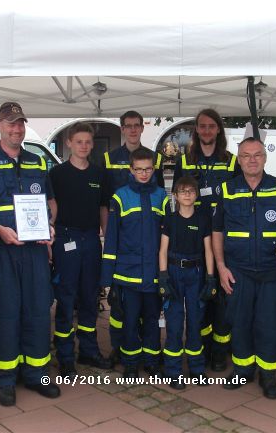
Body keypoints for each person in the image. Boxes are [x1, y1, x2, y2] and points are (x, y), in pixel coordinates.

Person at [0, 102, 60, 406]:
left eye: (20, 123)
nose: (16, 129)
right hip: (0, 251)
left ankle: (37, 374)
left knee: (36, 312)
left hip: (34, 252)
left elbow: (46, 202)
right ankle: (6, 380)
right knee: (5, 314)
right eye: (10, 124)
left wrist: (49, 227)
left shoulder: (36, 161)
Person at [212, 137, 276, 399]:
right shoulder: (227, 189)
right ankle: (243, 368)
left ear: (265, 157)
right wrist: (220, 266)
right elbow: (217, 231)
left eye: (257, 155)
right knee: (240, 323)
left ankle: (269, 375)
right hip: (238, 271)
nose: (252, 160)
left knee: (269, 324)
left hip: (272, 271)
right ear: (238, 160)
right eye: (246, 155)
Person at [173, 108, 240, 371]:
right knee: (200, 298)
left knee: (222, 299)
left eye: (212, 126)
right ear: (196, 130)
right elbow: (177, 199)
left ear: (219, 130)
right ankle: (199, 350)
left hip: (223, 236)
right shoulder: (185, 161)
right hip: (195, 239)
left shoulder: (232, 162)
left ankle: (219, 352)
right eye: (202, 126)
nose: (207, 131)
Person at [49, 122, 113, 377]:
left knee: (90, 297)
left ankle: (89, 350)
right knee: (66, 298)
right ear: (69, 143)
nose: (84, 146)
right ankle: (65, 355)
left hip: (91, 241)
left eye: (88, 142)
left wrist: (106, 239)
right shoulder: (57, 174)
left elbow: (103, 209)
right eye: (79, 142)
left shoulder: (100, 175)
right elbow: (50, 207)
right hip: (65, 240)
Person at [103, 110, 165, 363]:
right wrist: (107, 272)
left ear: (142, 128)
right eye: (127, 126)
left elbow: (162, 222)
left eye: (136, 126)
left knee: (150, 315)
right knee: (123, 314)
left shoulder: (158, 172)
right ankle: (124, 354)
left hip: (150, 261)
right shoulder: (110, 161)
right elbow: (106, 205)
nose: (132, 130)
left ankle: (149, 358)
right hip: (126, 260)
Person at [158, 176, 216, 390]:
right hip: (173, 271)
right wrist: (163, 276)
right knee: (174, 322)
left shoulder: (203, 219)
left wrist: (211, 278)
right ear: (175, 195)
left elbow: (208, 250)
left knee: (195, 321)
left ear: (196, 194)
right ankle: (173, 371)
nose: (187, 194)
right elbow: (162, 250)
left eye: (191, 191)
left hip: (196, 272)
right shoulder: (170, 219)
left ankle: (197, 369)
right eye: (182, 191)